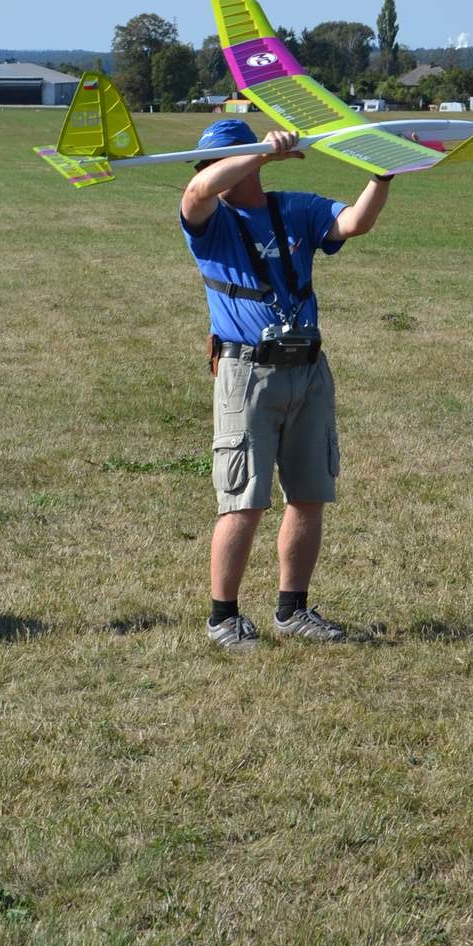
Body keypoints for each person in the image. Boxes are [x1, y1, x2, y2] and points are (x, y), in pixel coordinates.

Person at [181, 117, 393, 649]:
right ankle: (223, 618)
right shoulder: (209, 219)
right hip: (245, 372)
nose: (210, 171)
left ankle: (292, 609)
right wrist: (261, 154)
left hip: (307, 369)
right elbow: (197, 191)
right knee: (243, 499)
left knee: (309, 494)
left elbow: (354, 223)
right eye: (209, 164)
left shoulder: (296, 207)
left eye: (218, 160)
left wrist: (382, 175)